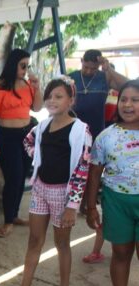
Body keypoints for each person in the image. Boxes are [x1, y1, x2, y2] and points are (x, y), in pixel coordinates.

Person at [11, 77, 91, 286]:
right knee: (34, 240)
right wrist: (38, 159)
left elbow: (82, 168)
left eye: (59, 96)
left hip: (62, 195)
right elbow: (28, 141)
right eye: (49, 96)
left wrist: (72, 205)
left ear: (71, 100)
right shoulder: (43, 125)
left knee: (62, 244)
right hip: (40, 189)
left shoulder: (80, 129)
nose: (52, 100)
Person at [86, 80, 139, 286]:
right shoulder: (106, 137)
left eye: (135, 100)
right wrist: (90, 207)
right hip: (116, 201)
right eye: (124, 99)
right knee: (120, 252)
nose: (128, 105)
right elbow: (94, 174)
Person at [69, 51, 127, 262]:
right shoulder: (73, 77)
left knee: (92, 172)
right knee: (75, 170)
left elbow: (127, 85)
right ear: (82, 62)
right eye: (86, 66)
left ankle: (87, 204)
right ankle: (75, 204)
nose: (89, 71)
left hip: (97, 132)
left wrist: (108, 68)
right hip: (74, 132)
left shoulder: (105, 77)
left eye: (93, 68)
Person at [0, 48, 43, 238]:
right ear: (13, 65)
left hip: (26, 134)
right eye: (22, 66)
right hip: (7, 136)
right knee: (13, 178)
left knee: (21, 177)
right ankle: (8, 221)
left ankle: (14, 215)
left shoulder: (27, 85)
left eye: (27, 66)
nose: (25, 70)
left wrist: (37, 86)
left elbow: (36, 107)